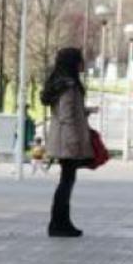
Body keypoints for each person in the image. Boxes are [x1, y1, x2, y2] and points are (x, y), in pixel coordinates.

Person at [42, 47, 92, 237]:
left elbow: (68, 112)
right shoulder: (69, 86)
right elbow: (66, 115)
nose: (82, 63)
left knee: (67, 180)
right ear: (73, 62)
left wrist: (85, 111)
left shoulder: (60, 83)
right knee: (67, 181)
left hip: (62, 137)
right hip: (67, 140)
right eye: (80, 60)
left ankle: (61, 221)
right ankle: (59, 223)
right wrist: (74, 142)